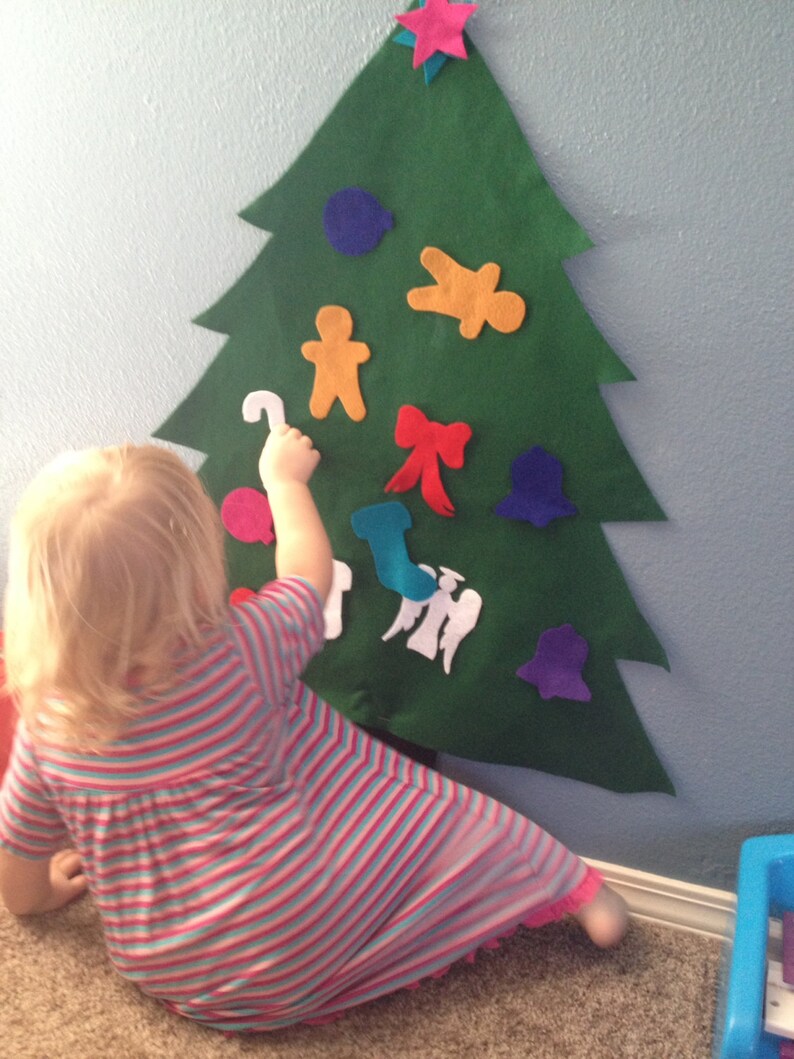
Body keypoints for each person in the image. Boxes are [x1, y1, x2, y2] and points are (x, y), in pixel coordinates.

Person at [0, 426, 628, 1032]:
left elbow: (19, 884)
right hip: (301, 946)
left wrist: (50, 892)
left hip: (175, 975)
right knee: (447, 814)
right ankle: (577, 892)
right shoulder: (243, 649)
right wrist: (283, 481)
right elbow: (308, 573)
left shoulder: (45, 727)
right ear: (195, 575)